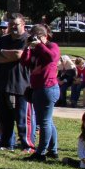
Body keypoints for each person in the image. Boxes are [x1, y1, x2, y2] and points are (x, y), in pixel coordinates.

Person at [0, 15, 35, 151]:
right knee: (4, 117)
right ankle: (6, 143)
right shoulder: (3, 39)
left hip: (21, 84)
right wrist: (10, 56)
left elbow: (19, 55)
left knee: (23, 117)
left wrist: (3, 54)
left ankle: (27, 145)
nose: (13, 27)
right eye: (11, 25)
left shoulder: (27, 39)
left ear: (23, 24)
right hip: (2, 83)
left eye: (16, 24)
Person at [20, 24, 60, 160]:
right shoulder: (35, 50)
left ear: (45, 36)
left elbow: (51, 57)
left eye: (38, 36)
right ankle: (53, 150)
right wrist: (27, 47)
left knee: (44, 122)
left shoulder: (52, 46)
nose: (36, 39)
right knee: (47, 121)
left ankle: (40, 153)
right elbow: (24, 62)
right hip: (37, 88)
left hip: (48, 88)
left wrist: (39, 45)